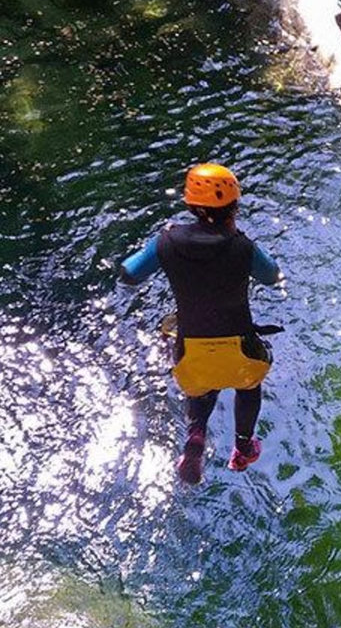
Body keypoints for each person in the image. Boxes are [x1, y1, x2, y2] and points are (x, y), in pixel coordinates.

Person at [119, 163, 282, 485]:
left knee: (200, 384)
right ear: (234, 205)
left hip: (190, 351)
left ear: (190, 204)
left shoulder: (166, 242)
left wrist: (163, 246)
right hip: (241, 351)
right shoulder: (242, 246)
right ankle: (243, 446)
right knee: (248, 387)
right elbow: (273, 276)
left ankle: (195, 436)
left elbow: (129, 274)